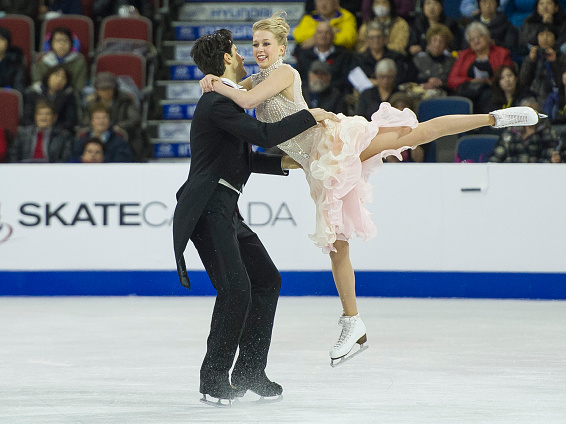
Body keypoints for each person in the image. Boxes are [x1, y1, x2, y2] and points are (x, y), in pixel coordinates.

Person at [200, 13, 544, 365]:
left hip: (334, 144)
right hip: (317, 168)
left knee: (418, 134)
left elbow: (243, 101)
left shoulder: (284, 73)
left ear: (282, 47)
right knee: (337, 245)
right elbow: (244, 96)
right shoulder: (256, 80)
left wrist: (213, 80)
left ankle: (496, 118)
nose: (258, 49)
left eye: (265, 43)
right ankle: (353, 323)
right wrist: (218, 80)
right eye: (255, 44)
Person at [172, 29, 336, 404]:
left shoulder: (224, 104)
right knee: (236, 289)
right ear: (228, 58)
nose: (245, 55)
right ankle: (213, 379)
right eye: (237, 51)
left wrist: (292, 163)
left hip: (225, 208)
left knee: (265, 280)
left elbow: (245, 156)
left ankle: (249, 371)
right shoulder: (217, 103)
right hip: (208, 208)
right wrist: (309, 116)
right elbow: (263, 134)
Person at [447, 21, 514, 113]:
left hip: (493, 90)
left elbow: (508, 75)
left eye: (479, 36)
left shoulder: (502, 53)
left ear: (487, 37)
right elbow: (452, 80)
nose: (476, 41)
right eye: (472, 39)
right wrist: (471, 80)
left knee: (486, 95)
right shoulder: (464, 55)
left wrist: (489, 81)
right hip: (470, 90)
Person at [83, 72, 149, 160]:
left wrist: (119, 126)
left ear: (115, 89)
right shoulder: (91, 103)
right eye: (103, 89)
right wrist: (97, 127)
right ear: (97, 90)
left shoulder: (125, 99)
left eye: (109, 88)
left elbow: (135, 118)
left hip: (121, 132)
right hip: (97, 133)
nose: (106, 91)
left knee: (135, 136)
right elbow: (85, 121)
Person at [294, 21, 354, 98]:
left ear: (333, 36)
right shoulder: (304, 55)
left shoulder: (344, 55)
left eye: (327, 33)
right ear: (314, 36)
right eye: (320, 32)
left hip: (336, 98)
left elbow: (347, 80)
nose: (323, 36)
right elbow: (299, 78)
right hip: (308, 97)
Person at [489, 97, 558, 162]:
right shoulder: (511, 132)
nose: (529, 115)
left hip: (537, 171)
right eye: (526, 113)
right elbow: (498, 154)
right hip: (510, 170)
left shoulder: (547, 133)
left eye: (533, 112)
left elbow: (548, 157)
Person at [519, 23, 566, 106]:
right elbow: (523, 81)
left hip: (556, 98)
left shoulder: (563, 57)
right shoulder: (532, 56)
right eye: (541, 34)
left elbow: (562, 83)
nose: (545, 38)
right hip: (532, 97)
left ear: (555, 37)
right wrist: (530, 61)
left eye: (549, 34)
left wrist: (554, 62)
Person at [355, 21, 417, 86]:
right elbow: (358, 81)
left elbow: (399, 79)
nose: (376, 40)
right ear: (367, 40)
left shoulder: (396, 57)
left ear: (385, 39)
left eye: (379, 37)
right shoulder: (359, 58)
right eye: (372, 38)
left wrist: (376, 82)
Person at [23, 64, 79, 134]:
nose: (59, 80)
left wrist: (52, 131)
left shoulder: (69, 96)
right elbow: (27, 118)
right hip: (34, 132)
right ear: (48, 76)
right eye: (56, 75)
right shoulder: (34, 93)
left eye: (64, 78)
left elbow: (70, 121)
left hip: (58, 134)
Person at [32, 27, 88, 92]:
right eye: (58, 40)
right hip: (45, 95)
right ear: (51, 44)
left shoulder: (79, 61)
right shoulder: (44, 61)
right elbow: (37, 82)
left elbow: (79, 86)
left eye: (65, 40)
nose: (62, 44)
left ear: (71, 43)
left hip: (70, 97)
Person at [412, 23, 456, 98]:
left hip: (444, 95)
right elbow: (412, 78)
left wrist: (441, 83)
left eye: (441, 41)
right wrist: (426, 82)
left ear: (445, 45)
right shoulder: (418, 59)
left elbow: (453, 83)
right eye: (435, 40)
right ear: (429, 42)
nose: (437, 44)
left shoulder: (452, 62)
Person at [293, 0, 358, 50]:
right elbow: (298, 35)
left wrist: (317, 40)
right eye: (320, 1)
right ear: (315, 5)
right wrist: (331, 31)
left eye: (327, 1)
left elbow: (349, 39)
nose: (323, 4)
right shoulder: (309, 17)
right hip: (313, 56)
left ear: (336, 3)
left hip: (340, 56)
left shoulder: (347, 17)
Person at [0, 27, 26, 94]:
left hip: (7, 99)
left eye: (1, 39)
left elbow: (18, 88)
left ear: (7, 43)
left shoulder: (16, 62)